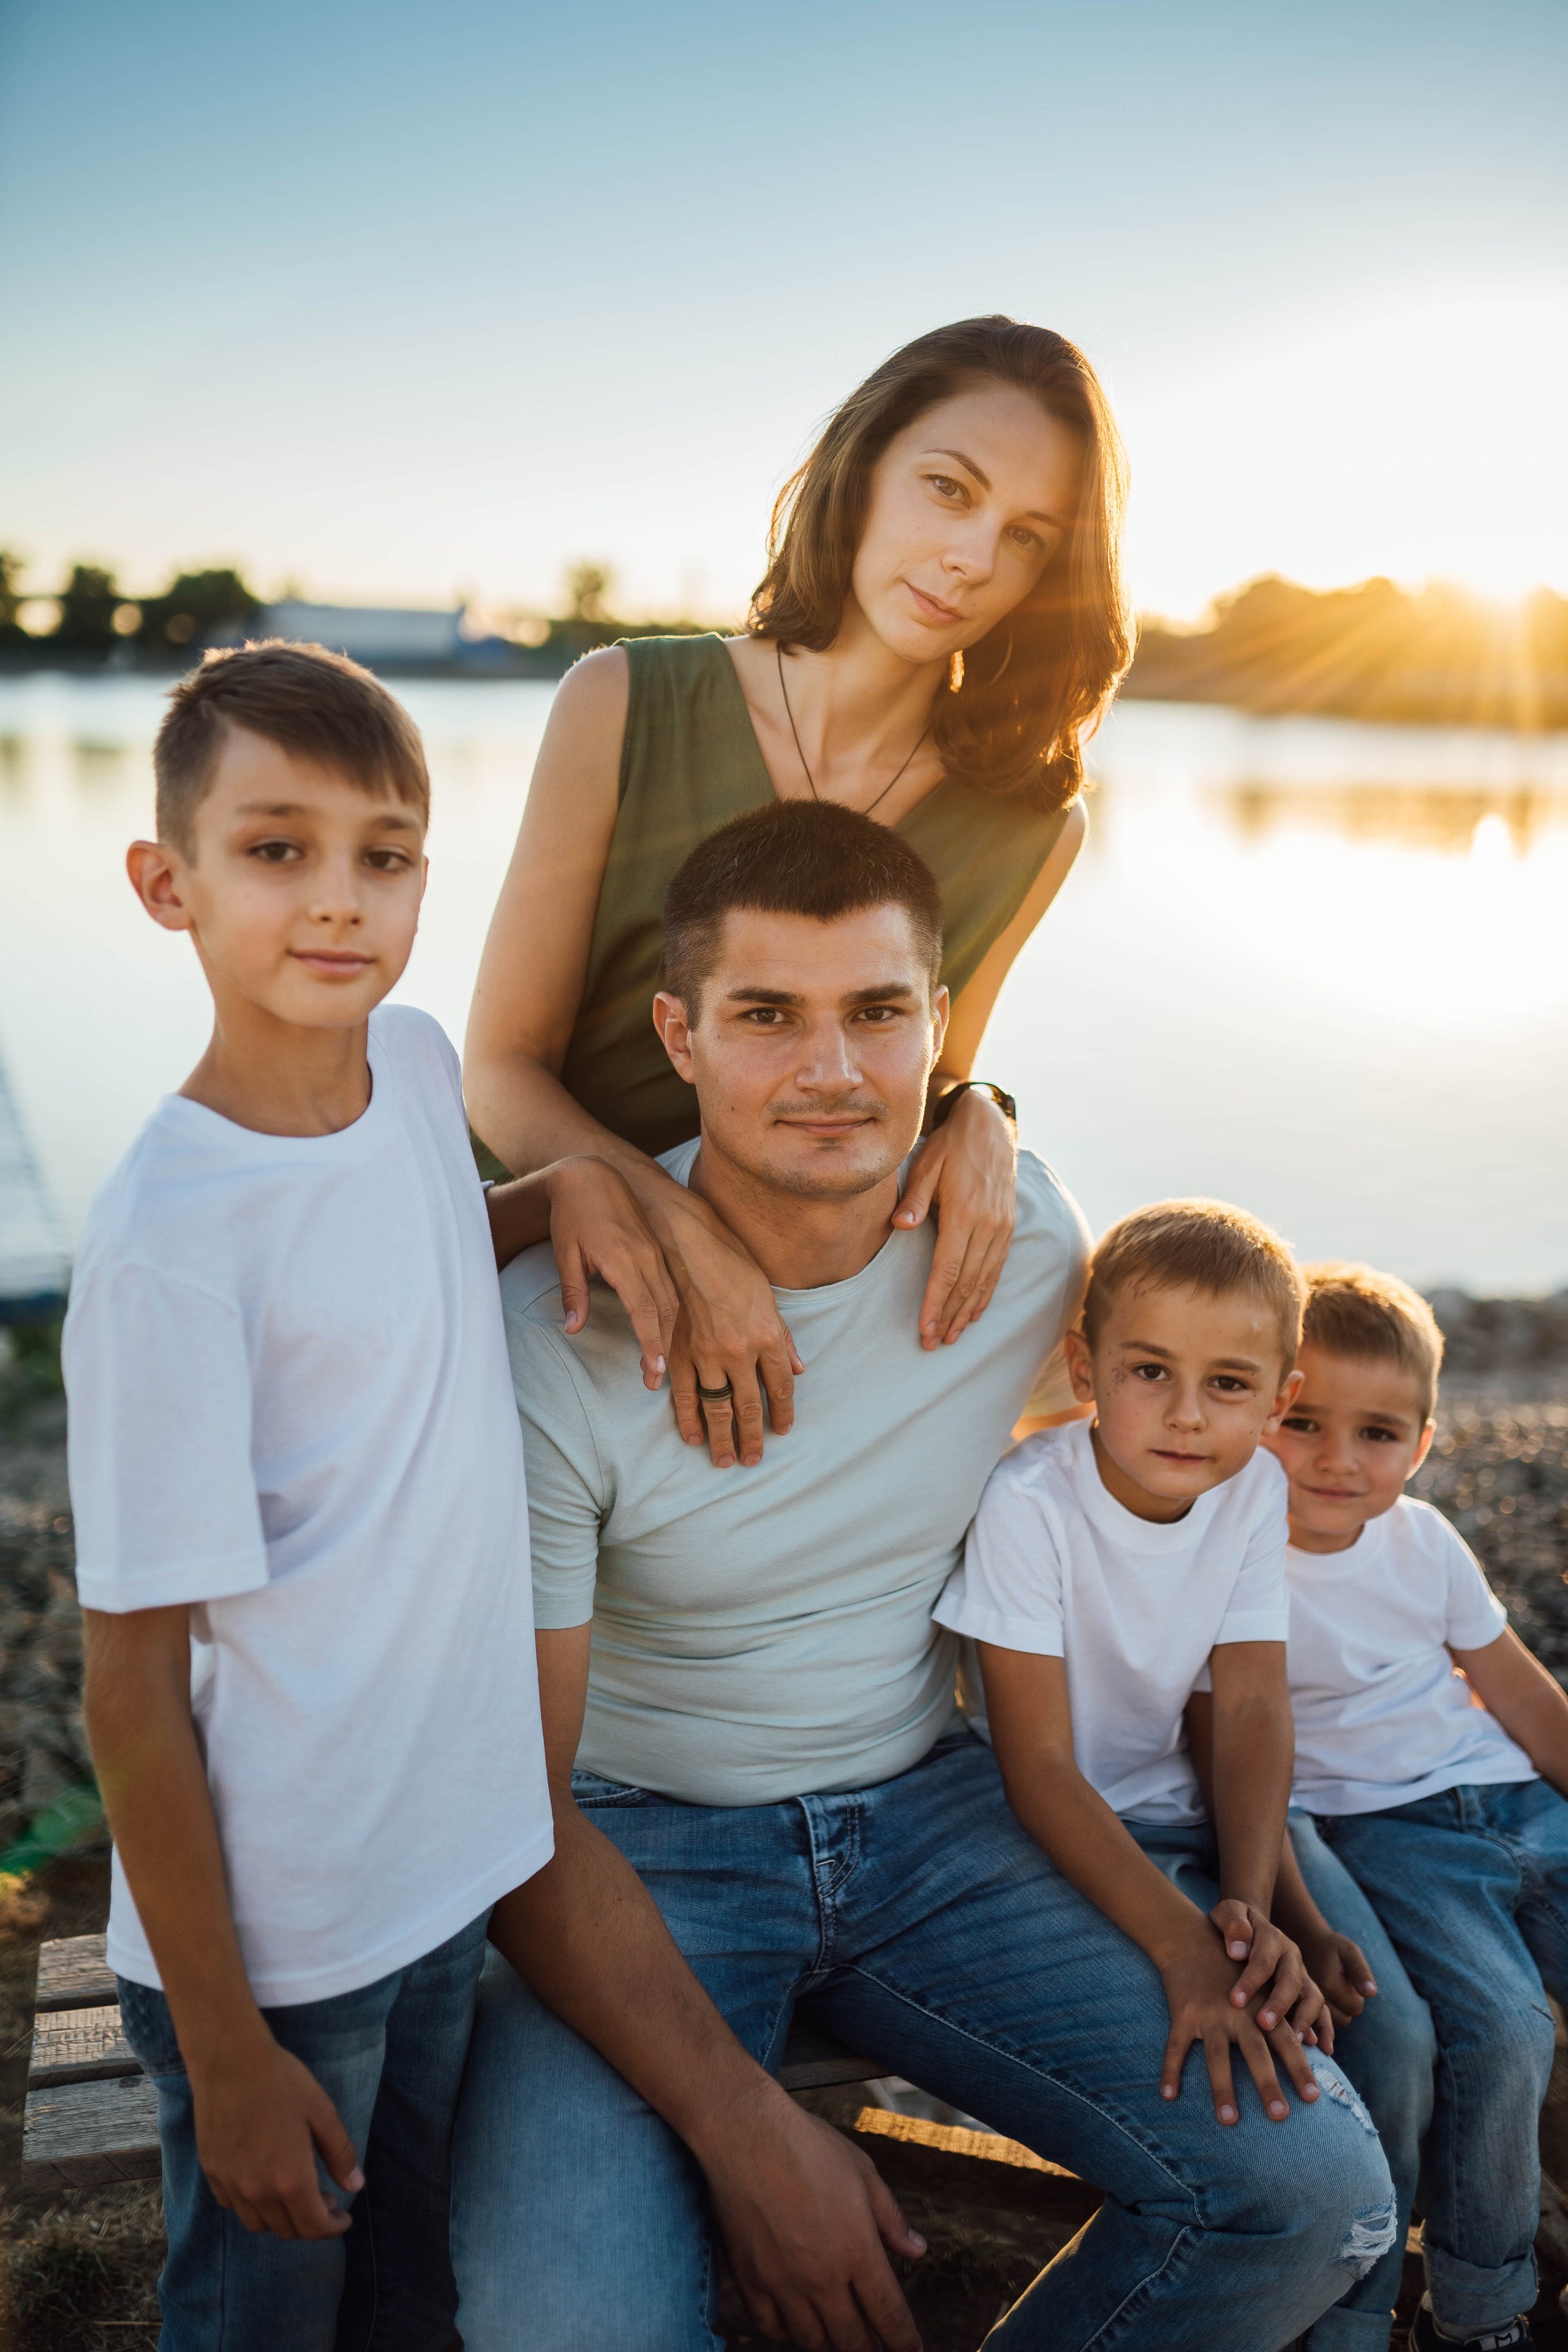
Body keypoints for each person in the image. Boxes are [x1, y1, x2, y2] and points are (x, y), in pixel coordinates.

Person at [451, 799, 1395, 2352]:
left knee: (1318, 2201)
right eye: (767, 1016)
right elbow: (516, 1804)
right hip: (636, 1850)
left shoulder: (1020, 1241)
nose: (831, 1073)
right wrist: (755, 2140)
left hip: (936, 1814)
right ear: (677, 1036)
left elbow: (1151, 1453)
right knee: (569, 2327)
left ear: (939, 1028)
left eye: (877, 1014)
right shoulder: (556, 1338)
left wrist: (1221, 1896)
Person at [64, 644, 636, 2349]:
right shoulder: (171, 1245)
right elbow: (129, 1688)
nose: (340, 900)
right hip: (285, 1935)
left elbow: (408, 1254)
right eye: (277, 847)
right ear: (168, 884)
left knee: (410, 2302)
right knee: (263, 2315)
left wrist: (558, 1196)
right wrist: (229, 2048)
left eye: (384, 855)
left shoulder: (410, 1062)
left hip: (447, 1856)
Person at [463, 314, 1134, 1469]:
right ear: (863, 469)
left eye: (1026, 537)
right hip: (543, 1276)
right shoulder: (620, 701)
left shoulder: (1033, 827)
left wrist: (986, 1113)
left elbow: (920, 1062)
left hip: (800, 1315)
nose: (973, 558)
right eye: (948, 489)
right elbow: (498, 1071)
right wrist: (681, 1232)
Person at [932, 1200, 1341, 2132]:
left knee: (1379, 2024)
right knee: (1248, 2058)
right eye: (1150, 1370)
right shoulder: (1030, 1502)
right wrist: (1188, 1947)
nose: (1187, 1416)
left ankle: (1400, 2281)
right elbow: (1035, 1767)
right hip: (1049, 1837)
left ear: (1281, 1398)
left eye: (1230, 1384)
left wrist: (1251, 1907)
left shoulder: (1253, 1488)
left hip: (1190, 1809)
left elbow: (1247, 1706)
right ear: (1085, 1368)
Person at [1261, 1261, 1568, 2352]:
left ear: (1425, 1443)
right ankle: (1481, 2306)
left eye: (1380, 1434)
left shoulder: (1424, 1540)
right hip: (1390, 1835)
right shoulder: (1240, 1554)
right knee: (1501, 2028)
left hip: (1515, 1797)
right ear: (1259, 1410)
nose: (1340, 1460)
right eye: (1304, 1421)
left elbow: (1518, 1687)